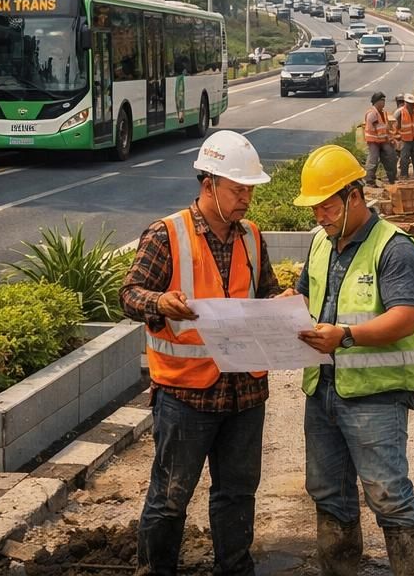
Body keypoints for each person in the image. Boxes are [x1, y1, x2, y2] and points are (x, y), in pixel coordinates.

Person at [120, 130, 280, 576]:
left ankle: (234, 569)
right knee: (170, 498)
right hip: (187, 397)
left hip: (245, 394)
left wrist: (283, 308)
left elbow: (264, 294)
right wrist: (159, 303)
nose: (246, 199)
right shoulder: (165, 234)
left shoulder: (251, 236)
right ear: (208, 184)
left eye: (250, 190)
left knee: (237, 494)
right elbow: (129, 294)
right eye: (238, 190)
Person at [286, 145, 414, 576]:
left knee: (388, 494)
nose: (320, 217)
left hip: (376, 395)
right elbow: (305, 294)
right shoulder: (319, 243)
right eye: (314, 209)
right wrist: (281, 307)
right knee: (328, 492)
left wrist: (345, 336)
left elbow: (404, 318)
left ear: (354, 196)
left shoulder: (395, 247)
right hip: (323, 389)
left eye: (327, 207)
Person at [362, 92, 398, 185]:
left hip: (383, 140)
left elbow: (385, 128)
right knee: (373, 160)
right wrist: (382, 139)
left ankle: (392, 178)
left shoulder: (383, 113)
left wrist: (390, 139)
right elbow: (372, 129)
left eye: (384, 101)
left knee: (391, 157)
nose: (383, 103)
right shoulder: (372, 114)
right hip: (374, 141)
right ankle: (369, 180)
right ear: (376, 102)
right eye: (382, 101)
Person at [395, 93, 414, 180]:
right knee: (404, 159)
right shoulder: (400, 112)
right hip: (405, 139)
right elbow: (397, 125)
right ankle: (404, 175)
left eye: (413, 104)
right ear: (405, 103)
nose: (411, 106)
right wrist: (398, 135)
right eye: (409, 104)